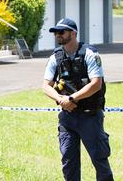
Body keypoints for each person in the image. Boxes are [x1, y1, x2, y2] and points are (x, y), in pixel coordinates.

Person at [42, 18, 113, 181]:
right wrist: (62, 100)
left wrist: (72, 98)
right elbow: (46, 86)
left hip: (90, 116)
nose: (57, 35)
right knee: (68, 162)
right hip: (68, 118)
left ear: (73, 33)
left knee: (99, 160)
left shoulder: (90, 53)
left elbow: (96, 84)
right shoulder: (56, 57)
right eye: (55, 33)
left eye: (61, 32)